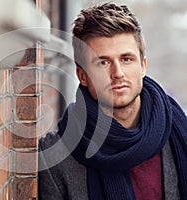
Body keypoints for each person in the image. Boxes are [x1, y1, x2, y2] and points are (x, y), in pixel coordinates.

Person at [38, 2, 187, 200]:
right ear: (82, 75)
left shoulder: (178, 132)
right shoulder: (56, 158)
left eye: (126, 59)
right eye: (103, 63)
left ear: (143, 66)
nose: (117, 73)